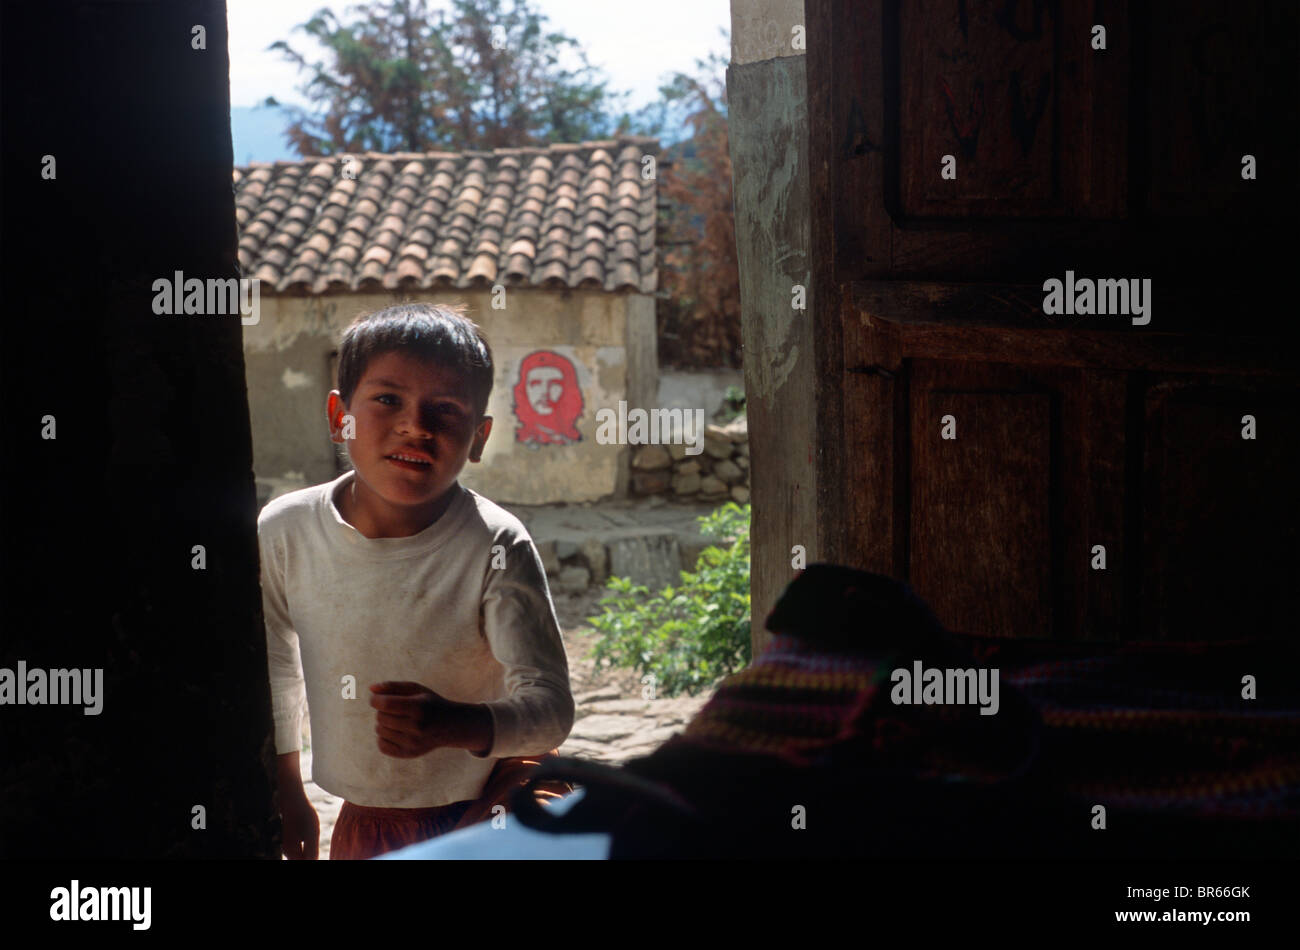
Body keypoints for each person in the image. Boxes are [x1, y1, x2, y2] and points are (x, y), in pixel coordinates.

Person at [259, 302, 575, 859]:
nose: (415, 425)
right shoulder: (287, 531)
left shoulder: (495, 543)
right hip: (373, 823)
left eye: (446, 409)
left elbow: (550, 710)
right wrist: (288, 784)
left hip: (498, 804)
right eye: (387, 400)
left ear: (478, 437)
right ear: (340, 417)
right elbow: (276, 666)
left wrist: (459, 724)